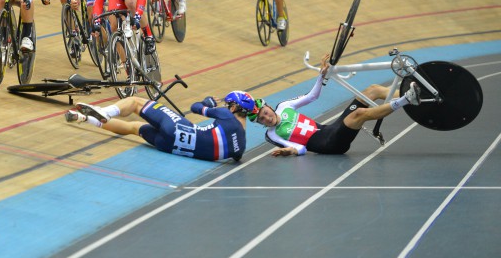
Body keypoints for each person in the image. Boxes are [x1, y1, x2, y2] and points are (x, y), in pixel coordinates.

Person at [247, 54, 422, 156]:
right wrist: (289, 151)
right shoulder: (272, 135)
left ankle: (417, 91)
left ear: (268, 107)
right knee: (359, 114)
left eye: (264, 112)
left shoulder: (284, 106)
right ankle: (407, 99)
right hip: (329, 143)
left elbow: (312, 96)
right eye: (261, 119)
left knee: (372, 90)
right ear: (261, 124)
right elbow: (301, 149)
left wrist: (322, 75)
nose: (266, 118)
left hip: (330, 129)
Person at [65, 91, 248, 162]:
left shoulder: (226, 116)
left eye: (227, 104)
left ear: (233, 107)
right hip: (172, 147)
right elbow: (237, 158)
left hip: (178, 128)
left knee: (137, 102)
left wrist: (207, 102)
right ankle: (84, 118)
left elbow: (195, 108)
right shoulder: (240, 147)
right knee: (135, 128)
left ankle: (105, 112)